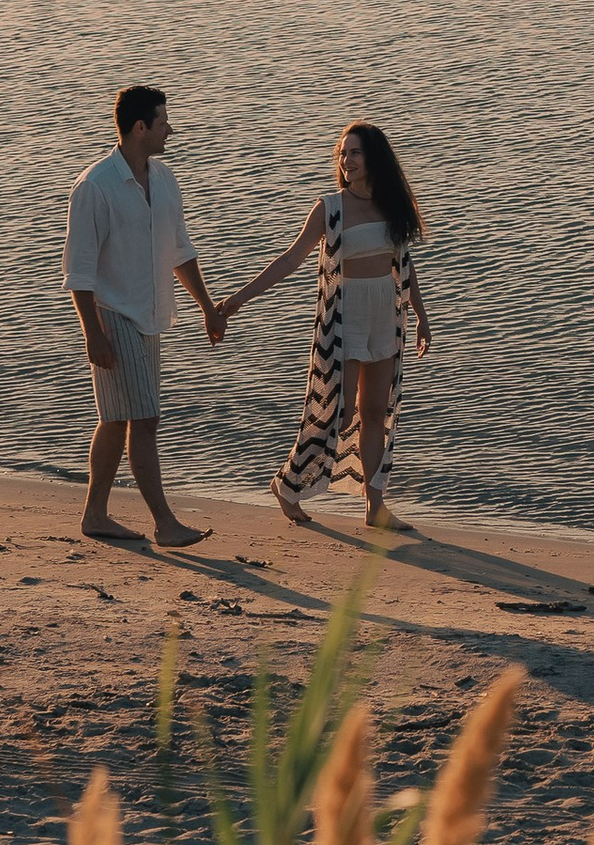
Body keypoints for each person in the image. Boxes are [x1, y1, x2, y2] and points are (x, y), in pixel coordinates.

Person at [223, 121, 432, 528]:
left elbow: (404, 266)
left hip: (386, 316)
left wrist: (421, 315)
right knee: (338, 409)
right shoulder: (330, 208)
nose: (346, 160)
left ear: (373, 158)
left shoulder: (394, 203)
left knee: (376, 412)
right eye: (342, 153)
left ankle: (375, 506)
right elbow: (289, 261)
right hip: (344, 317)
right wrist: (235, 301)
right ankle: (288, 484)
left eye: (354, 152)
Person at [61, 84, 225, 550]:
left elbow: (180, 251)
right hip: (115, 317)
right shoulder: (96, 185)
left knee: (116, 419)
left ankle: (95, 514)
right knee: (145, 420)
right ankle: (165, 523)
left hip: (153, 316)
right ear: (140, 127)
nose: (169, 130)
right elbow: (80, 269)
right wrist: (93, 333)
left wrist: (208, 308)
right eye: (162, 122)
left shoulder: (166, 179)